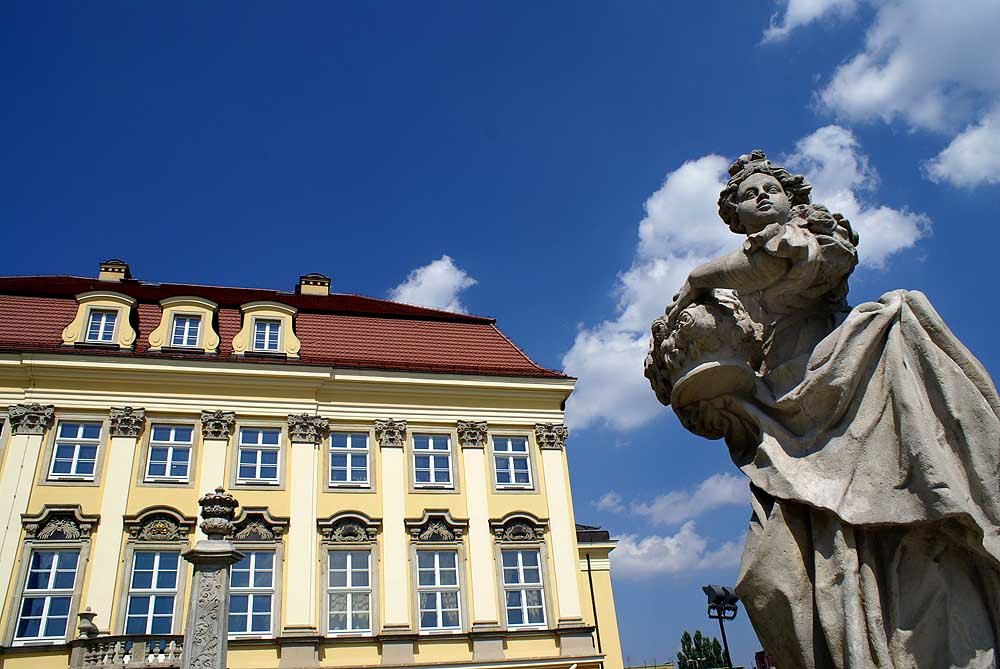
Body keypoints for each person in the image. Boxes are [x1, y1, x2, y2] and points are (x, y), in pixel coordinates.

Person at [646, 150, 1000, 668]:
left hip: (843, 383)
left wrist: (701, 277)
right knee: (770, 569)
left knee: (893, 529)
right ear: (736, 217)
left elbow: (789, 263)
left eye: (771, 188)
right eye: (748, 195)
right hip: (780, 413)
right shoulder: (737, 298)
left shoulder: (814, 237)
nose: (762, 195)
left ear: (791, 198)